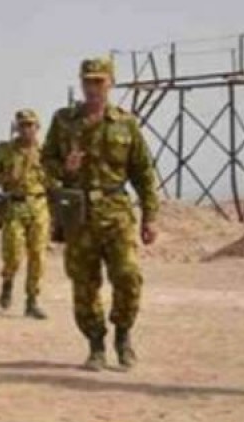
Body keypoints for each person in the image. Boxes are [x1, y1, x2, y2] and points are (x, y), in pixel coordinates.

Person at [41, 57, 159, 371]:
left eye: (99, 81)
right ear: (81, 83)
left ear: (110, 83)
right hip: (78, 214)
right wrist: (64, 168)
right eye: (88, 81)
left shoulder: (125, 123)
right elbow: (45, 162)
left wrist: (150, 216)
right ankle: (95, 345)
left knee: (128, 276)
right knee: (84, 283)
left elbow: (143, 173)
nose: (93, 87)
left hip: (117, 211)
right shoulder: (64, 120)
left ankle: (123, 335)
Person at [0, 108, 51, 318]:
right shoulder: (6, 150)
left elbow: (57, 177)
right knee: (13, 254)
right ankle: (8, 281)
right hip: (15, 206)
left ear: (37, 127)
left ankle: (32, 301)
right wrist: (5, 177)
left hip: (39, 206)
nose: (27, 129)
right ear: (17, 127)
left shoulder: (46, 152)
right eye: (23, 125)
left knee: (38, 256)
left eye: (30, 125)